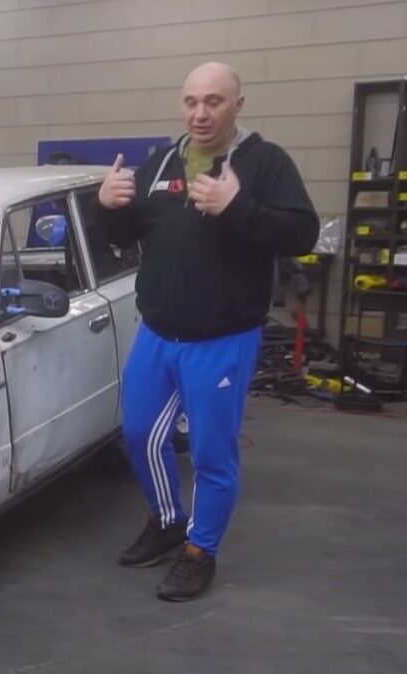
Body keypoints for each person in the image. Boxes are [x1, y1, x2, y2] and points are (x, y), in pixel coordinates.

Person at [94, 62, 320, 601]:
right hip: (158, 333)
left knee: (212, 454)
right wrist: (108, 208)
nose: (200, 113)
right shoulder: (161, 162)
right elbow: (127, 234)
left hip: (222, 338)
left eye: (213, 101)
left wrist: (238, 207)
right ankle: (168, 520)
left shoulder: (265, 162)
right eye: (191, 101)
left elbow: (302, 234)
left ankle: (201, 551)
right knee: (138, 434)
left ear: (237, 104)